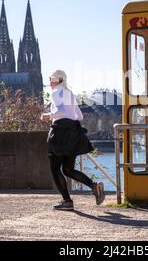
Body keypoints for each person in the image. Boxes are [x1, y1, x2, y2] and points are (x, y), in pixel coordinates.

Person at [40, 70, 105, 211]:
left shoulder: (57, 92)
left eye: (51, 79)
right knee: (68, 169)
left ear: (58, 80)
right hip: (73, 133)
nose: (50, 82)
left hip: (59, 133)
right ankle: (93, 185)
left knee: (55, 168)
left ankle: (67, 201)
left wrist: (47, 115)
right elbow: (79, 116)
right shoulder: (70, 93)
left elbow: (61, 111)